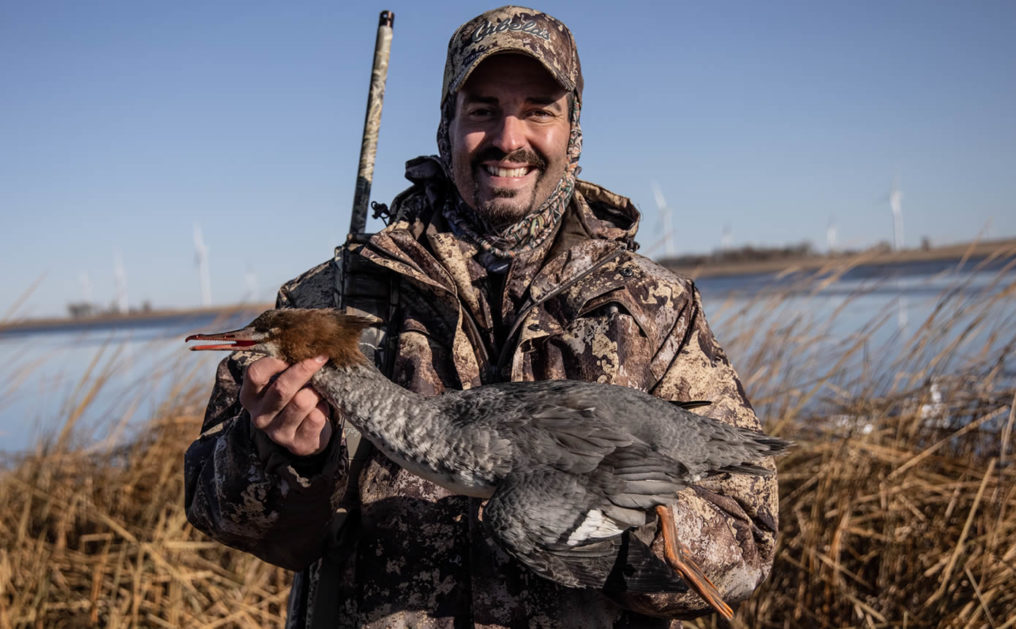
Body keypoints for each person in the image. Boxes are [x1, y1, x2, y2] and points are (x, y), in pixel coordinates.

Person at [184, 6, 779, 628]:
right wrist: (286, 462)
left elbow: (745, 548)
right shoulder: (329, 301)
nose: (508, 138)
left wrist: (592, 512)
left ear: (572, 131)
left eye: (538, 110)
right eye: (484, 109)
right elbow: (220, 515)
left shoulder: (653, 308)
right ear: (447, 124)